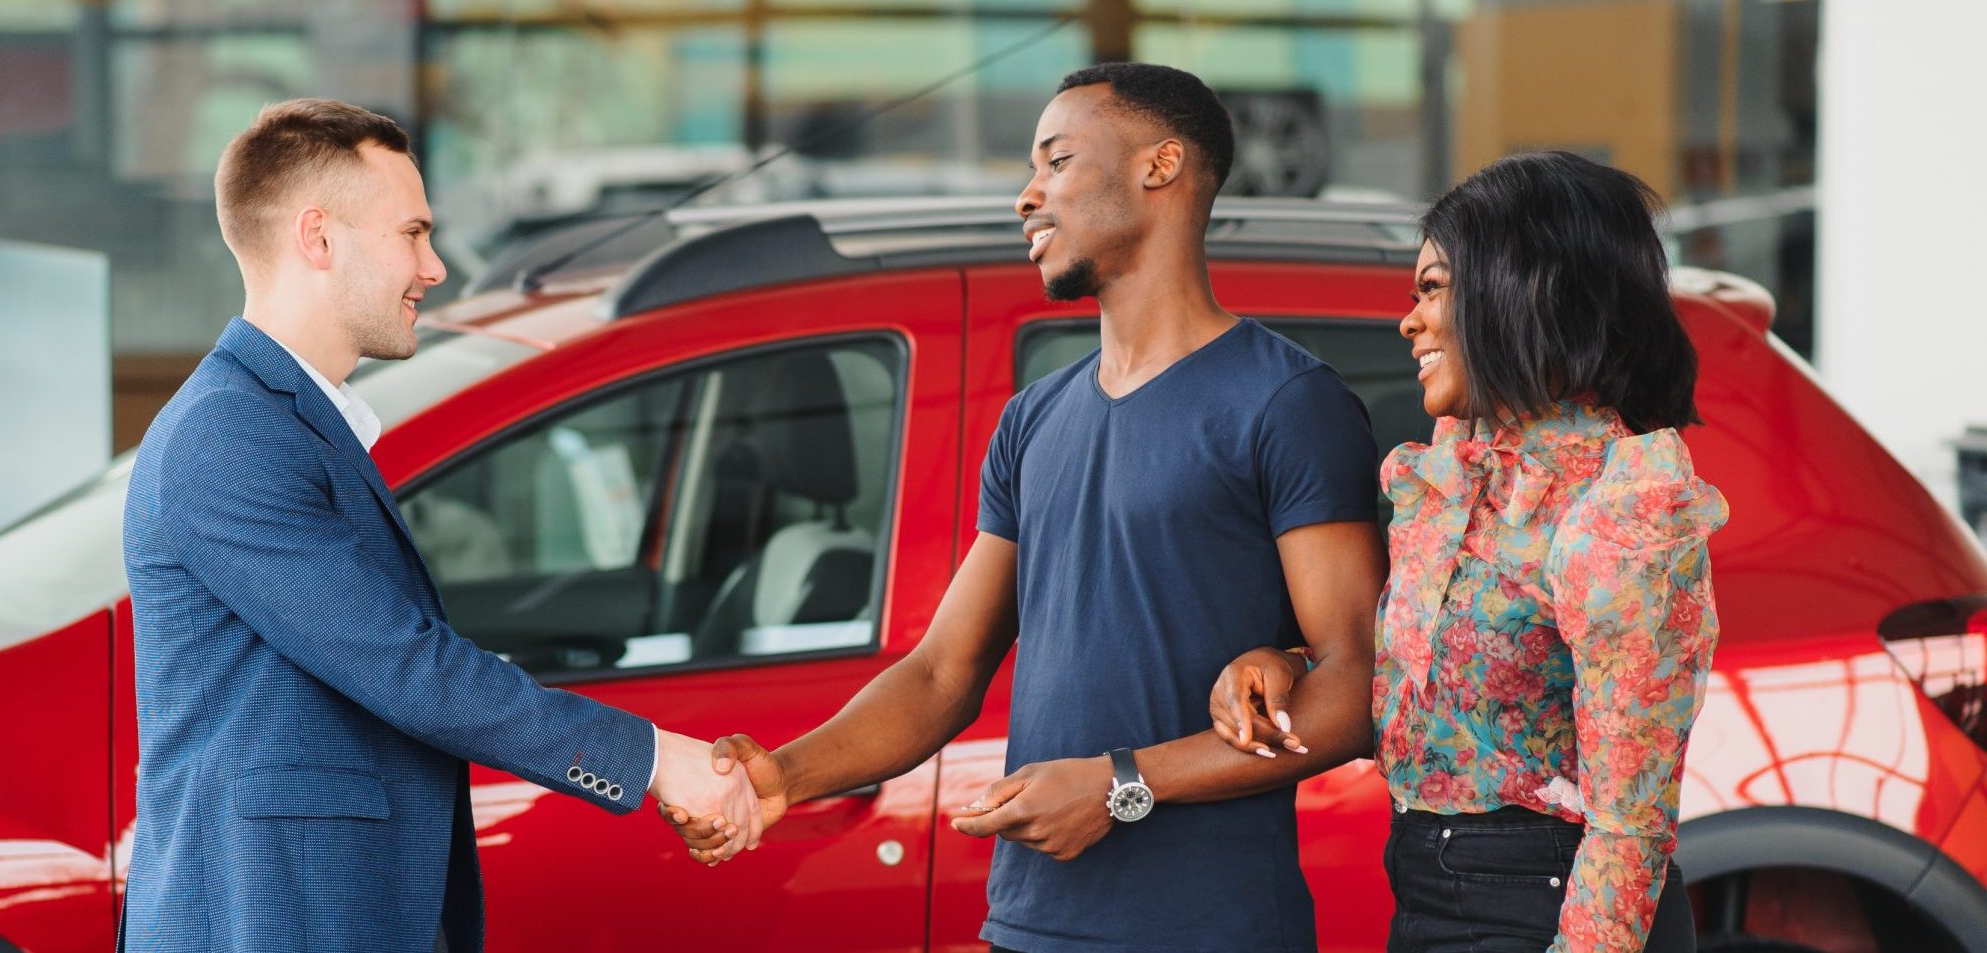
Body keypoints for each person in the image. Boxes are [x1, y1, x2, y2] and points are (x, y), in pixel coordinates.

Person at [668, 64, 1388, 953]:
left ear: (1160, 167)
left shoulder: (1286, 403)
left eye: (1057, 161)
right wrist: (786, 772)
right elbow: (941, 674)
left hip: (1212, 929)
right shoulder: (1034, 417)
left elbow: (1355, 688)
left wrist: (1120, 783)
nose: (1027, 195)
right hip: (1029, 925)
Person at [119, 99, 756, 953]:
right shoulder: (228, 435)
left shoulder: (284, 421)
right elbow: (402, 662)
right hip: (270, 917)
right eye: (413, 233)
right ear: (319, 238)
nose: (437, 266)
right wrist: (651, 757)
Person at [1206, 150, 1725, 953]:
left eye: (1433, 288)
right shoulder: (1455, 472)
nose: (1408, 320)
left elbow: (1631, 827)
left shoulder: (1620, 507)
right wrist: (1284, 660)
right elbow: (1430, 679)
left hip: (1544, 907)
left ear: (1524, 288)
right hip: (1426, 893)